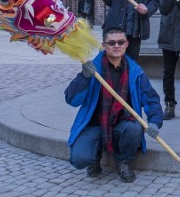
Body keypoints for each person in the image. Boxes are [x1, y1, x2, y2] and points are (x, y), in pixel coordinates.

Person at [65, 27, 163, 183]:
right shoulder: (93, 69)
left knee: (135, 128)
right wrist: (84, 77)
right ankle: (94, 157)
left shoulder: (135, 71)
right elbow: (71, 99)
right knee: (79, 159)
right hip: (94, 125)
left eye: (120, 42)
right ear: (104, 45)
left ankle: (123, 161)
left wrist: (155, 122)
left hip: (123, 123)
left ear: (126, 44)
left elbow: (151, 98)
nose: (116, 46)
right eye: (111, 43)